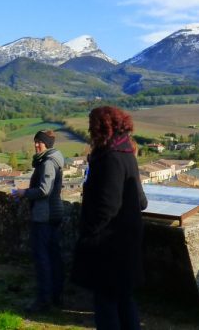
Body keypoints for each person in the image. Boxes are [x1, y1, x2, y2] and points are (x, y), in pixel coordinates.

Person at [71, 106, 147, 330]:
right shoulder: (126, 153)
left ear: (101, 127)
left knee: (106, 304)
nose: (89, 130)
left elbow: (107, 206)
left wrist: (88, 231)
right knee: (124, 300)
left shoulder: (110, 158)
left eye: (92, 125)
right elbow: (141, 201)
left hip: (109, 244)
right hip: (125, 242)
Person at [13, 129, 65, 313]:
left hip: (45, 215)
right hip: (53, 214)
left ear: (47, 144)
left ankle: (44, 300)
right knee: (53, 257)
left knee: (42, 258)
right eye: (35, 141)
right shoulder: (50, 159)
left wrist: (23, 193)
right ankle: (56, 296)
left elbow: (44, 190)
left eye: (40, 142)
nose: (36, 145)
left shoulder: (48, 162)